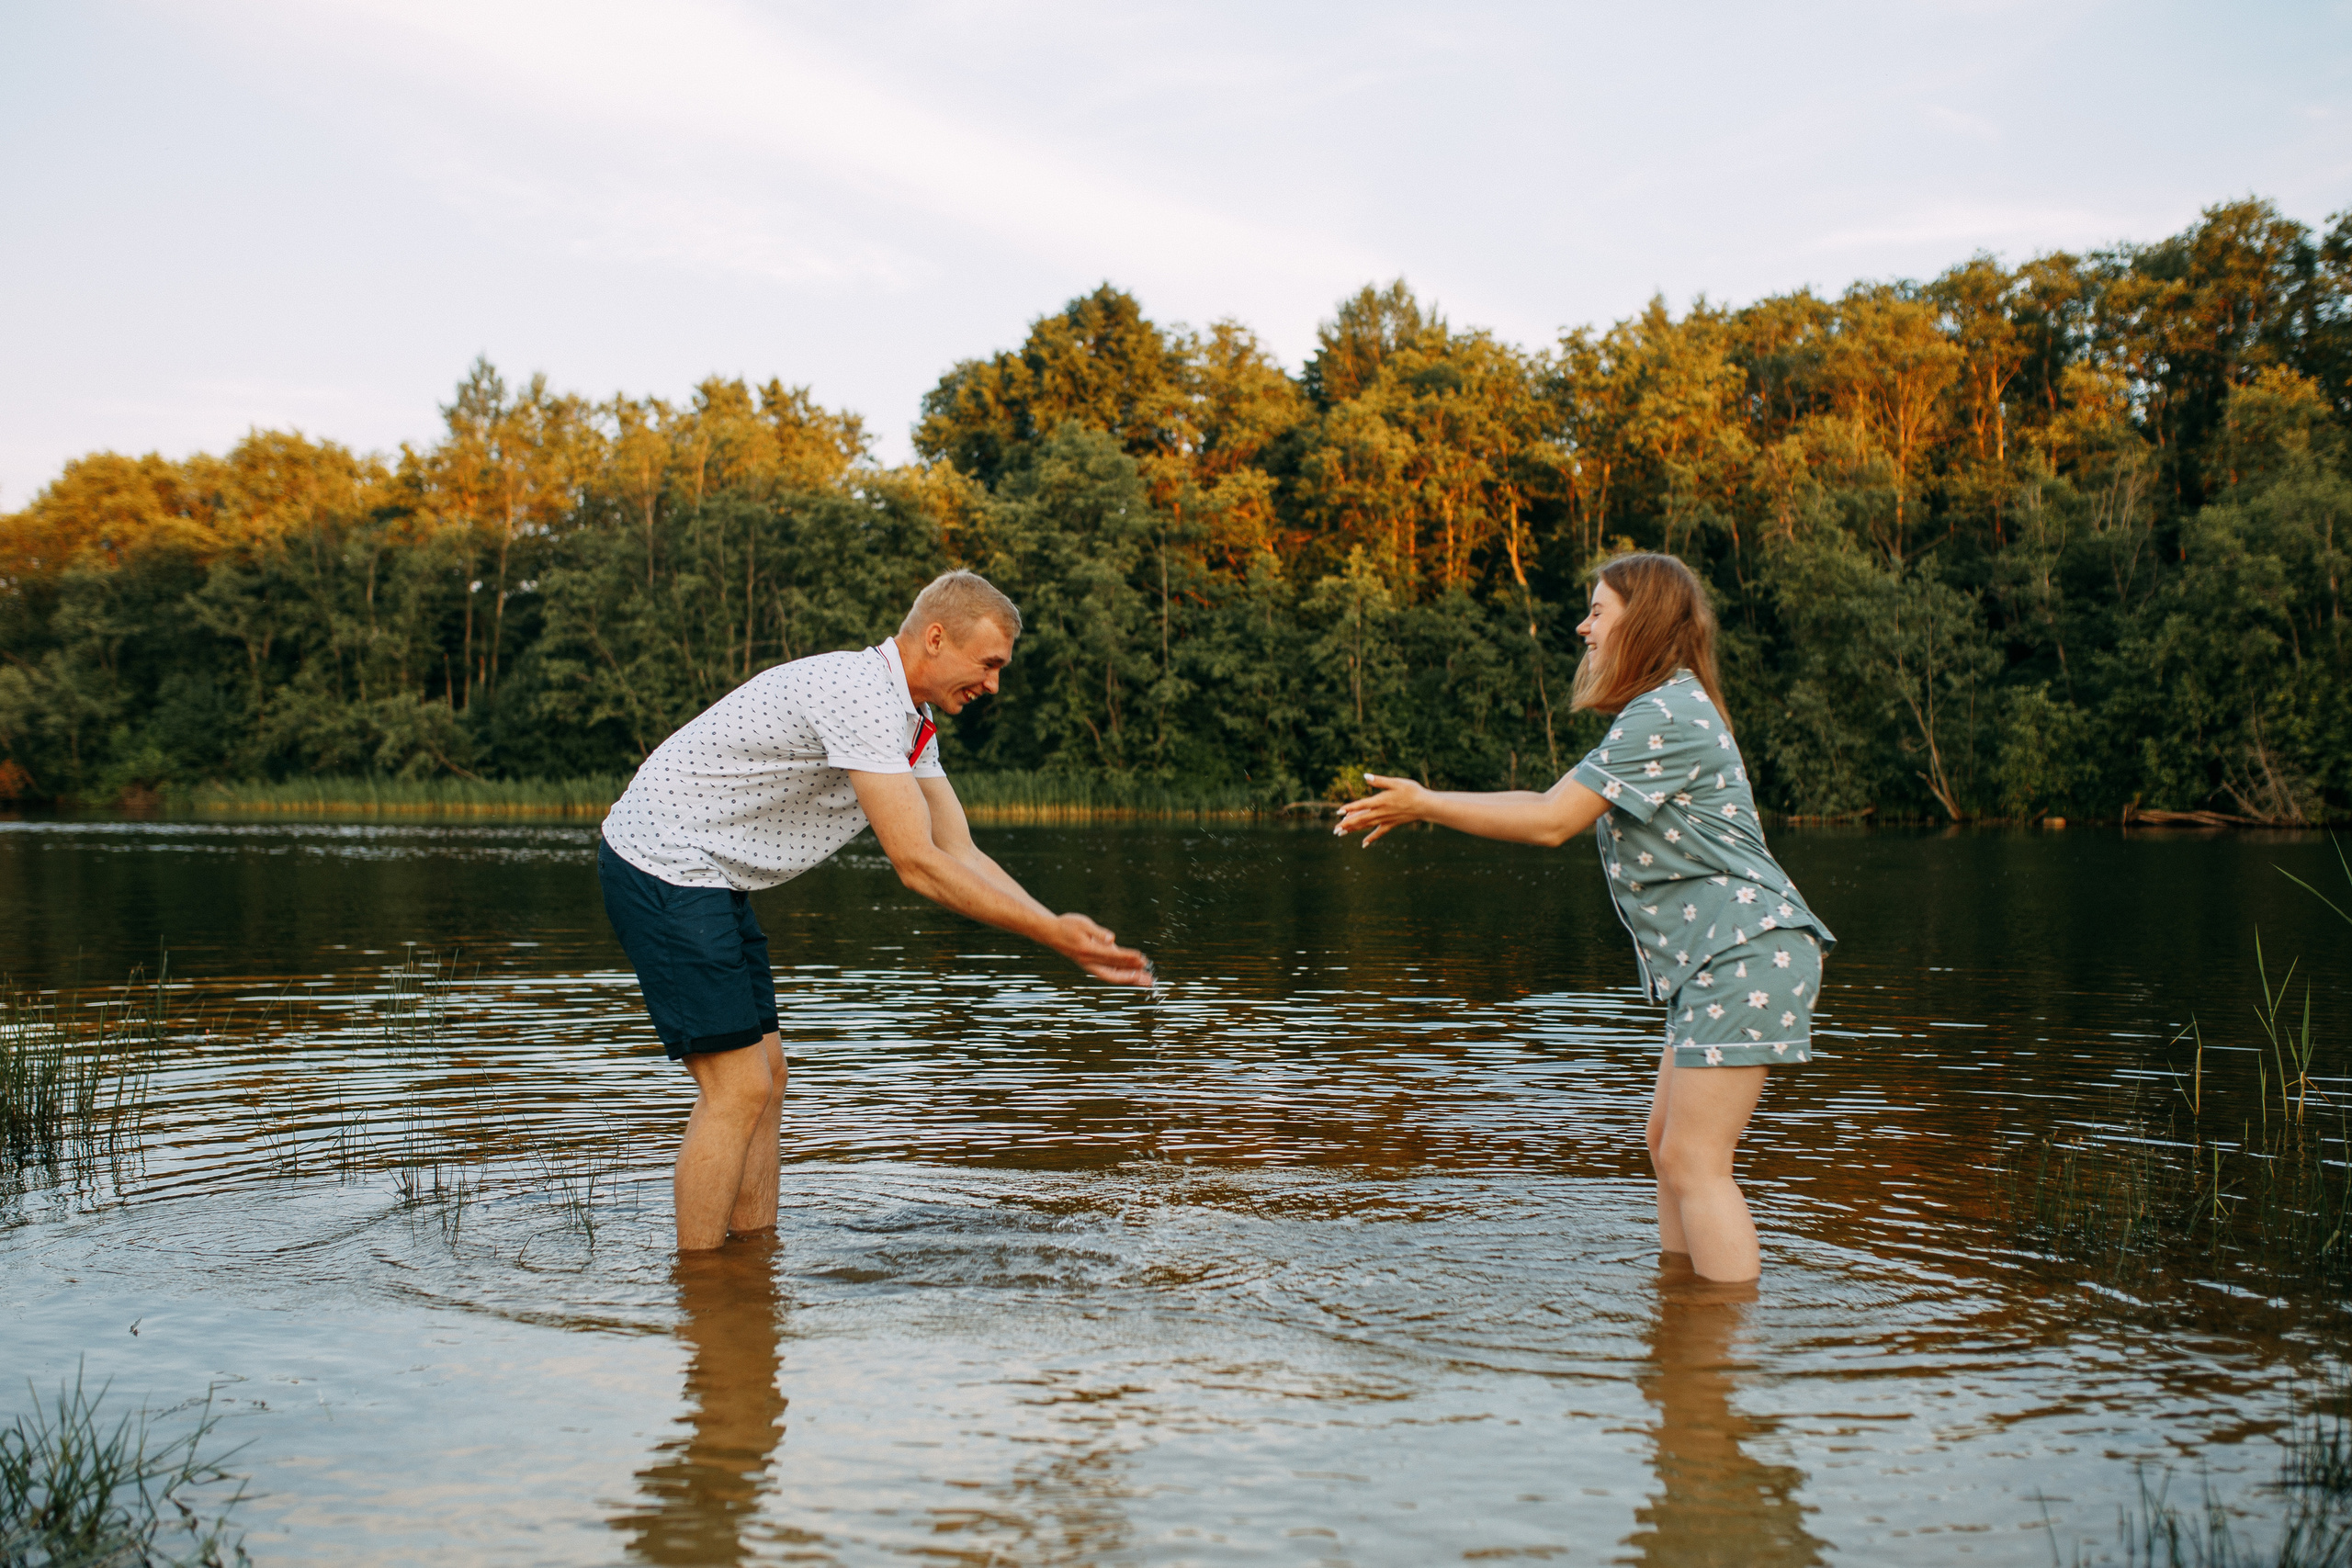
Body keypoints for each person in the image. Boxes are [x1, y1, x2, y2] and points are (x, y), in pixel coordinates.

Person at [598, 569, 1154, 1250]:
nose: (993, 684)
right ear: (937, 636)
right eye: (988, 664)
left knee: (768, 1079)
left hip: (713, 877)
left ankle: (752, 1266)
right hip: (663, 860)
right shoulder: (860, 694)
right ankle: (704, 1290)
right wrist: (1048, 931)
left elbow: (959, 849)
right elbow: (917, 864)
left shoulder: (910, 721)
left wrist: (1061, 932)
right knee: (737, 1088)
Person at [1334, 551, 1834, 1281]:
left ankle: (1720, 1356)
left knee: (1696, 1158)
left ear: (1647, 618)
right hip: (1722, 958)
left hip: (1744, 954)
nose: (1583, 626)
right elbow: (1543, 798)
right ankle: (1683, 1322)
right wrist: (1428, 800)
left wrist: (1425, 804)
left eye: (1597, 609)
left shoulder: (1666, 711)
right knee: (1667, 1146)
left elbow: (1549, 822)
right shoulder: (1660, 709)